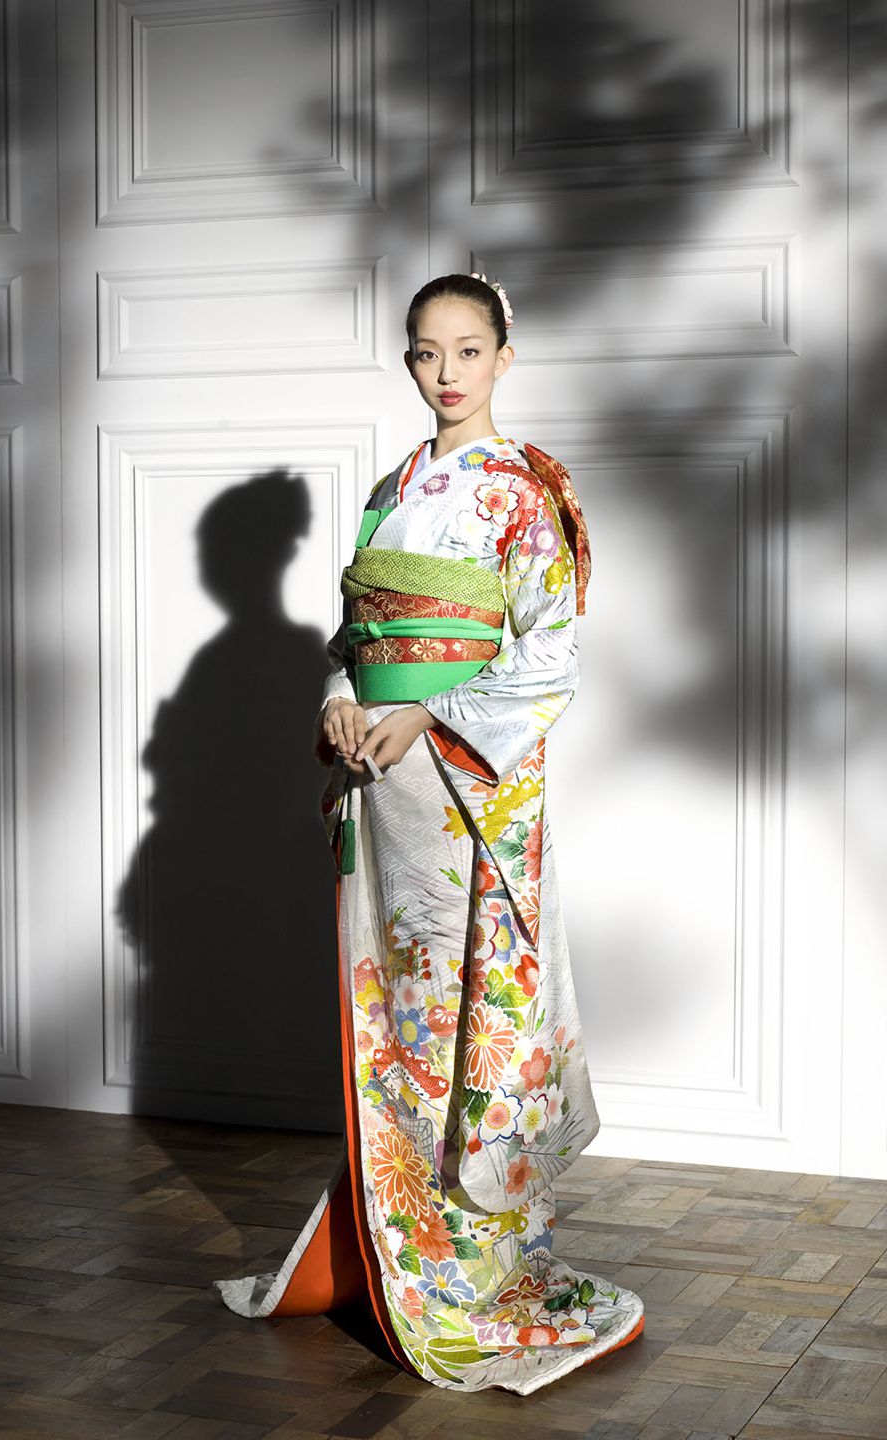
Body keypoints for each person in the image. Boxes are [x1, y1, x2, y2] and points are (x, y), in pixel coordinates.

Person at [214, 273, 645, 1393]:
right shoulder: (392, 489)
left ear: (505, 355)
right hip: (387, 787)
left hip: (466, 789)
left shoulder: (524, 491)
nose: (446, 373)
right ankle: (401, 1245)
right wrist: (341, 702)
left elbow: (548, 654)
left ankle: (477, 1265)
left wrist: (427, 713)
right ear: (409, 361)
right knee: (401, 1013)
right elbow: (355, 638)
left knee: (469, 1016)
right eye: (425, 352)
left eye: (467, 349)